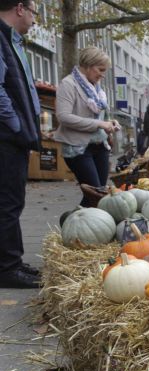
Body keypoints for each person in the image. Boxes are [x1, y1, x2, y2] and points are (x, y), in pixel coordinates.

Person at [0, 0, 41, 288]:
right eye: (34, 12)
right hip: (7, 138)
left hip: (13, 136)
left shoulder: (11, 41)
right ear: (19, 8)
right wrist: (16, 125)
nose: (35, 19)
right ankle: (7, 268)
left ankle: (12, 261)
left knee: (12, 200)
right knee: (8, 202)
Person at [53, 46, 117, 208]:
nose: (102, 75)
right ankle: (72, 221)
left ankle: (75, 220)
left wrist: (110, 123)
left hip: (100, 146)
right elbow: (63, 117)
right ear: (88, 65)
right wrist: (99, 124)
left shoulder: (96, 88)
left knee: (98, 195)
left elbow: (101, 116)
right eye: (100, 69)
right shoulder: (68, 84)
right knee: (95, 195)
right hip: (78, 148)